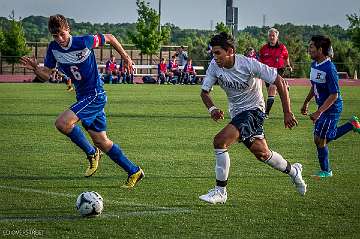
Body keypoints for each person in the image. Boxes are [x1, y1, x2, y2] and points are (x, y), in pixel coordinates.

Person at [20, 14, 144, 188]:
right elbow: (46, 75)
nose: (60, 39)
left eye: (62, 34)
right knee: (102, 141)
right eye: (55, 36)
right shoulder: (53, 48)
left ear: (68, 29)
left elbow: (110, 37)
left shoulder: (83, 41)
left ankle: (92, 153)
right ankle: (134, 171)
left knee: (62, 123)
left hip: (94, 94)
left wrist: (125, 57)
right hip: (83, 97)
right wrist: (35, 68)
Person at [198, 32, 306, 204]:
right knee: (262, 154)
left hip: (254, 111)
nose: (215, 57)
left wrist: (287, 112)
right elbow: (204, 92)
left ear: (230, 51)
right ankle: (294, 171)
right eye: (213, 53)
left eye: (218, 52)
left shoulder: (248, 64)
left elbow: (279, 81)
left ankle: (220, 192)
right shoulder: (214, 66)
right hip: (237, 114)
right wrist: (212, 109)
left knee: (220, 141)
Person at [301, 35, 360, 178]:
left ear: (320, 50)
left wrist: (319, 112)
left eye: (311, 47)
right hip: (323, 107)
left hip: (331, 109)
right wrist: (306, 102)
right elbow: (314, 86)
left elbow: (334, 95)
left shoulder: (330, 68)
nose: (309, 50)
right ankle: (351, 124)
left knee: (321, 139)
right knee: (319, 138)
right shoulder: (314, 64)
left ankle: (326, 171)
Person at [259, 28, 292, 118]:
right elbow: (260, 61)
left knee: (271, 89)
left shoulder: (282, 47)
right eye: (270, 35)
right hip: (267, 71)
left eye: (273, 35)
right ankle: (283, 86)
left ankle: (266, 113)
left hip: (278, 70)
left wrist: (288, 66)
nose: (272, 37)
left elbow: (286, 57)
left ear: (277, 37)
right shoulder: (263, 48)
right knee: (271, 91)